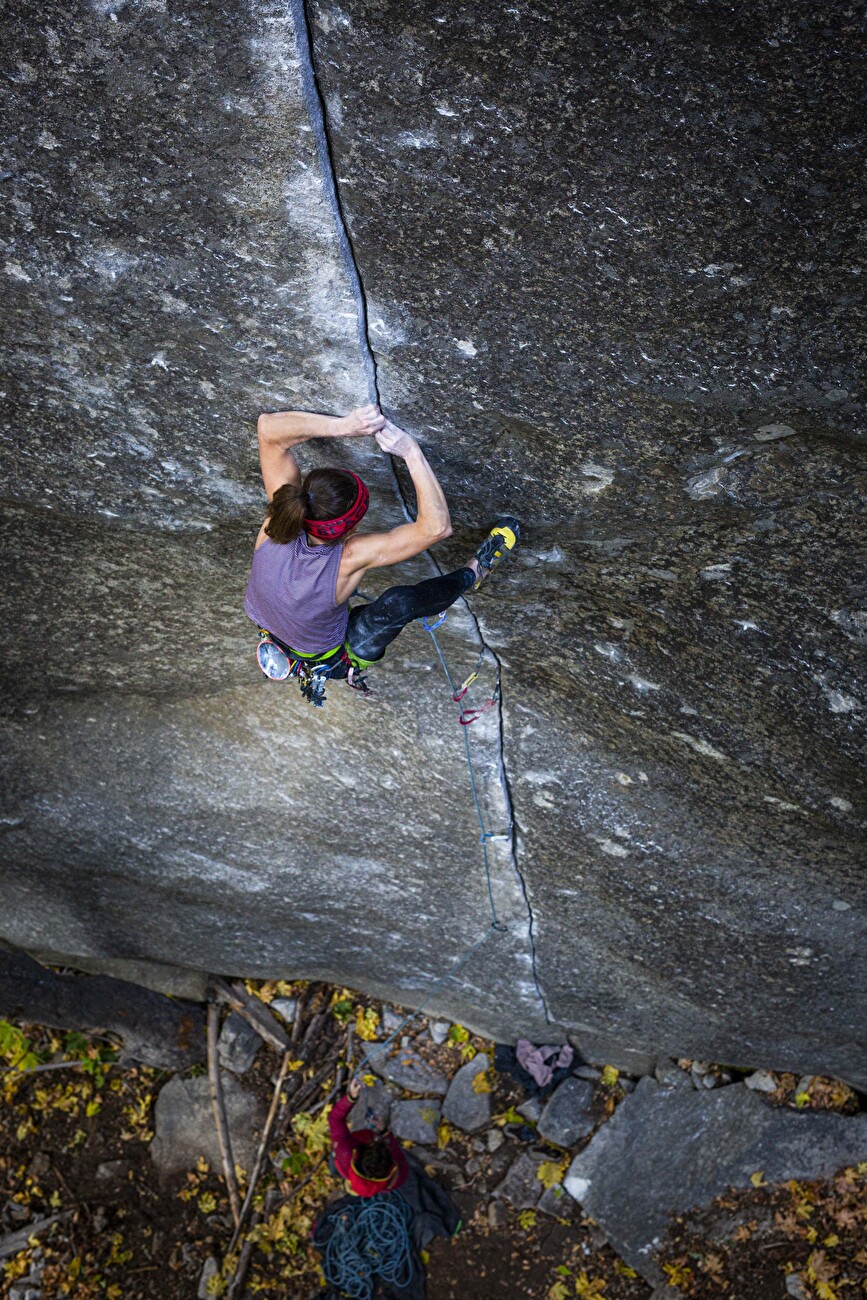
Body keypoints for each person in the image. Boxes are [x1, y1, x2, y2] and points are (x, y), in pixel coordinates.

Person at [244, 404, 519, 689]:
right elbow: (437, 528)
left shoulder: (277, 517)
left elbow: (267, 428)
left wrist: (344, 426)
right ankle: (476, 572)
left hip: (276, 630)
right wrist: (411, 453)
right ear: (353, 529)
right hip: (328, 657)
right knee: (399, 603)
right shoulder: (348, 558)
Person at [327, 1075, 408, 1196]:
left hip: (344, 1162)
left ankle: (340, 1176)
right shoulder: (398, 1177)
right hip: (350, 1166)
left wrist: (350, 1098)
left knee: (335, 1164)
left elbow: (335, 1119)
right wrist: (384, 1132)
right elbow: (398, 1154)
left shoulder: (345, 1152)